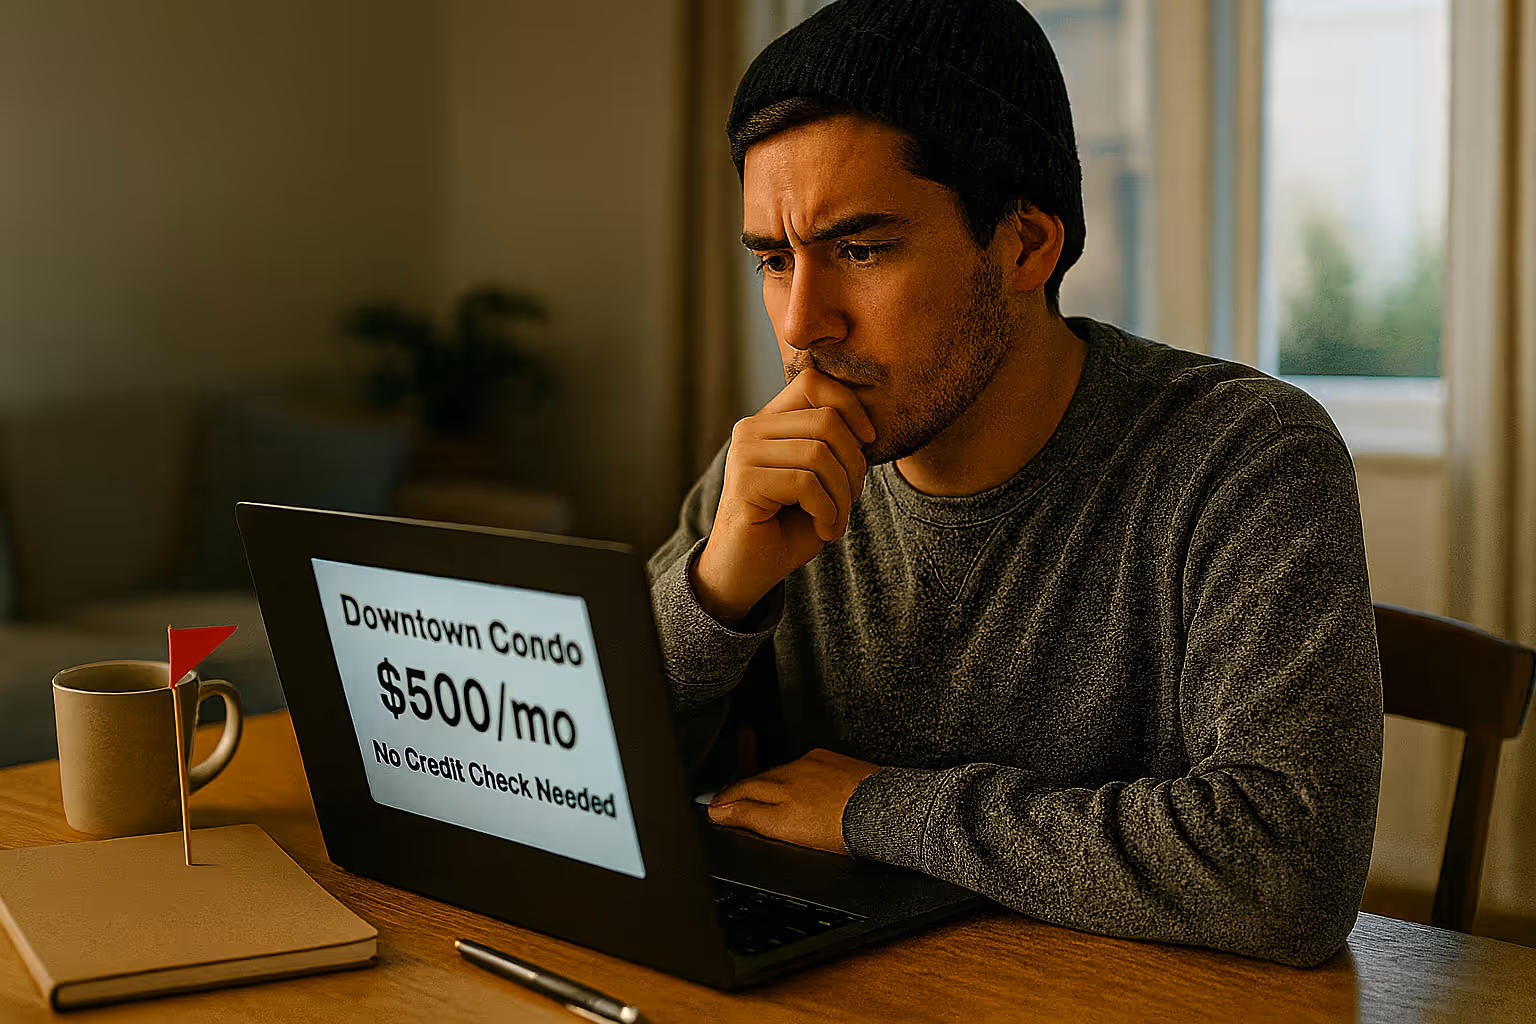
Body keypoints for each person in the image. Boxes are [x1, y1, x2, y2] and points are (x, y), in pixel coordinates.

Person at [647, 0, 1382, 968]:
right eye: (775, 260)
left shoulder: (1245, 459)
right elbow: (577, 783)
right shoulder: (774, 472)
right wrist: (715, 591)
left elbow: (1289, 870)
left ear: (1027, 244)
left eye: (861, 250)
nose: (801, 323)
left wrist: (877, 807)